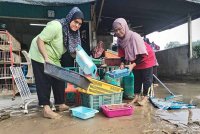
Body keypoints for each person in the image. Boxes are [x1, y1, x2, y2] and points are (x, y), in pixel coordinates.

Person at [29, 7, 84, 119]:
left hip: (54, 57)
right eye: (75, 22)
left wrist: (84, 59)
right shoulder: (56, 26)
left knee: (59, 77)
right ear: (70, 19)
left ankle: (60, 104)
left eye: (80, 24)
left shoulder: (73, 34)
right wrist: (46, 58)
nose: (77, 25)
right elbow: (40, 40)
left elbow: (73, 52)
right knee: (44, 79)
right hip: (40, 53)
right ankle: (46, 108)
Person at [112, 18, 156, 106]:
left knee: (146, 79)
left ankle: (145, 98)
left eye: (120, 29)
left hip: (146, 57)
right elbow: (122, 54)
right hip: (135, 59)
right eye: (115, 30)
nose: (118, 32)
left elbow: (142, 54)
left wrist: (133, 65)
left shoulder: (134, 36)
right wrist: (122, 63)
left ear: (125, 27)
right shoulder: (120, 40)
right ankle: (136, 97)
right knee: (137, 79)